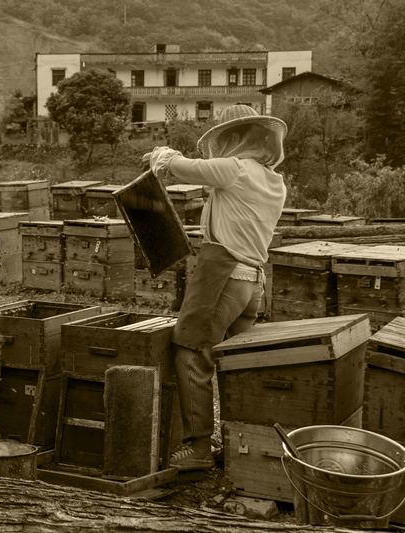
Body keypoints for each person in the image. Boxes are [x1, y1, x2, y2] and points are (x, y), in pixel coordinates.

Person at [148, 104, 288, 471]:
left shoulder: (236, 170)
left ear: (238, 137)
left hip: (224, 276)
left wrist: (162, 155)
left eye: (227, 136)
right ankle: (240, 445)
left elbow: (182, 168)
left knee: (192, 353)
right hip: (253, 283)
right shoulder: (274, 180)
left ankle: (196, 448)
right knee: (238, 367)